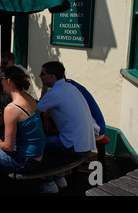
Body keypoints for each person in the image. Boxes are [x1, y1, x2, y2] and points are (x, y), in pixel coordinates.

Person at [37, 61, 96, 194]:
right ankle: (59, 177)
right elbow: (47, 106)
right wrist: (47, 116)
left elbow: (34, 112)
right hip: (86, 144)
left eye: (43, 74)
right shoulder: (70, 87)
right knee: (49, 138)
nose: (40, 76)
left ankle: (48, 182)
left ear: (52, 77)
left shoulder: (55, 93)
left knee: (36, 143)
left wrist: (43, 89)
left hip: (74, 146)